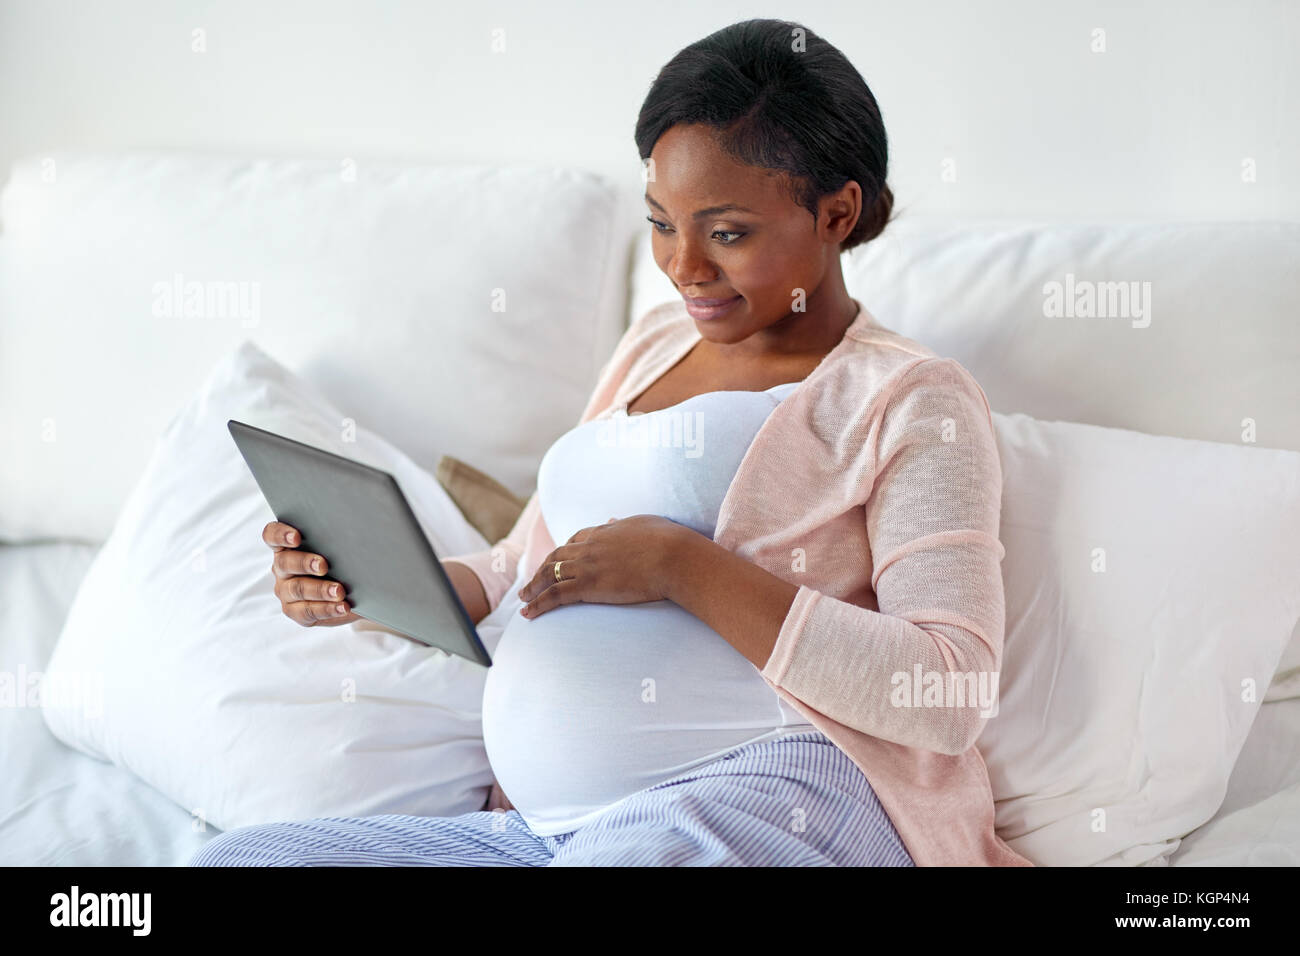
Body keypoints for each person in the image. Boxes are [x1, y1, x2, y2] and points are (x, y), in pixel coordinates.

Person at [191, 17, 1030, 867]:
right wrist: (369, 584)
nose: (683, 266)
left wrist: (680, 563)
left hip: (783, 790)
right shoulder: (653, 346)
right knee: (236, 863)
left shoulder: (911, 395)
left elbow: (948, 687)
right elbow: (522, 567)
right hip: (556, 831)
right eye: (662, 223)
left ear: (836, 212)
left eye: (727, 233)